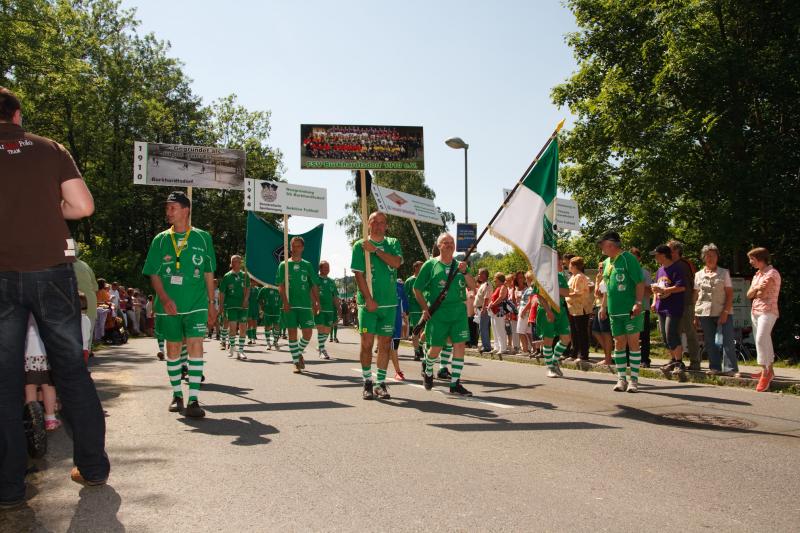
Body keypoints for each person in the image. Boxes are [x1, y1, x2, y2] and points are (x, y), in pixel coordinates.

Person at [0, 87, 109, 502]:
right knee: (70, 371)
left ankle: (10, 487)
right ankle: (93, 468)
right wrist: (50, 208)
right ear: (17, 115)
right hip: (51, 269)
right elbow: (82, 207)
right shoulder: (49, 149)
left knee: (5, 379)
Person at [143, 191, 216, 417]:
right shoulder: (160, 239)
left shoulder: (203, 237)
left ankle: (193, 399)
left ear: (186, 210)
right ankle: (177, 394)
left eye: (172, 207)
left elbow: (208, 272)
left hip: (196, 303)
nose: (168, 212)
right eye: (167, 208)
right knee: (173, 348)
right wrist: (165, 299)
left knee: (195, 345)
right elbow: (153, 273)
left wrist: (211, 303)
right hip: (169, 306)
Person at [413, 233, 476, 396]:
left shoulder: (460, 265)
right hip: (438, 313)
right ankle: (428, 368)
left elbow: (472, 285)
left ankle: (455, 383)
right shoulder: (430, 265)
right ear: (438, 246)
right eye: (445, 242)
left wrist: (465, 272)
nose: (449, 244)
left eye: (451, 242)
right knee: (436, 348)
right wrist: (424, 309)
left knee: (459, 345)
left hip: (458, 312)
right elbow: (417, 288)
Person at [351, 212, 403, 400]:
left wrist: (375, 251)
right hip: (368, 305)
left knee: (385, 345)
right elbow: (359, 275)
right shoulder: (360, 245)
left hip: (389, 305)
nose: (379, 225)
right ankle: (367, 381)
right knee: (366, 344)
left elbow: (396, 263)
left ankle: (380, 383)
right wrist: (368, 299)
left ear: (386, 226)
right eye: (375, 222)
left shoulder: (392, 243)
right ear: (369, 224)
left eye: (382, 222)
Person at [598, 231, 645, 393]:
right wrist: (603, 307)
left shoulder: (628, 258)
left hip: (630, 310)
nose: (601, 247)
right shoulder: (606, 262)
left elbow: (639, 282)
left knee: (633, 343)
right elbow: (606, 288)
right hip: (614, 311)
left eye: (603, 244)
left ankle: (634, 380)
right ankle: (621, 379)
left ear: (611, 244)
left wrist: (638, 303)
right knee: (618, 343)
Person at [276, 236, 320, 372]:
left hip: (305, 305)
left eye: (298, 246)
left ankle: (298, 353)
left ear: (302, 248)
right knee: (292, 333)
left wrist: (317, 301)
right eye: (293, 246)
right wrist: (285, 302)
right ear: (290, 248)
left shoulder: (307, 265)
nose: (296, 248)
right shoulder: (284, 265)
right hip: (290, 305)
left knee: (307, 334)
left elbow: (313, 285)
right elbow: (280, 286)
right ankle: (296, 362)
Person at [694, 244, 737, 376]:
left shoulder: (724, 273)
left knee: (727, 340)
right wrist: (694, 315)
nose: (710, 258)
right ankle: (715, 368)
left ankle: (731, 369)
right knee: (710, 341)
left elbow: (730, 294)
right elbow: (695, 295)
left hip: (723, 311)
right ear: (703, 258)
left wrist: (725, 312)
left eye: (713, 255)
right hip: (704, 312)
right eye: (707, 255)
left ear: (717, 257)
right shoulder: (698, 275)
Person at [746, 247, 781, 392]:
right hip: (755, 311)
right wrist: (756, 289)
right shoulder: (757, 275)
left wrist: (756, 290)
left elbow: (763, 293)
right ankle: (768, 370)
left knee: (761, 338)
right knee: (762, 339)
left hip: (768, 311)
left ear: (760, 259)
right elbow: (749, 294)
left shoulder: (772, 273)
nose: (750, 262)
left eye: (752, 259)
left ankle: (766, 373)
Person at [651, 245, 687, 376]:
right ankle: (673, 360)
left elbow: (681, 287)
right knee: (665, 337)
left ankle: (679, 363)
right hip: (661, 306)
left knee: (671, 333)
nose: (655, 258)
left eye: (656, 255)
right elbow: (656, 287)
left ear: (663, 255)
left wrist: (665, 290)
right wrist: (654, 301)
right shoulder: (660, 270)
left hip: (673, 307)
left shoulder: (677, 268)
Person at [534, 261, 571, 377]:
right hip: (546, 310)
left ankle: (554, 361)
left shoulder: (560, 276)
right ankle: (550, 368)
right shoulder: (540, 276)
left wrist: (555, 287)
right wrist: (548, 311)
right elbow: (539, 296)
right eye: (558, 262)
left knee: (566, 338)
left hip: (560, 310)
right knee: (548, 340)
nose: (561, 265)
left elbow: (567, 292)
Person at [668, 240, 701, 370]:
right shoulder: (670, 264)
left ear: (676, 251)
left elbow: (691, 285)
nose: (667, 252)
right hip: (674, 304)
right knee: (674, 333)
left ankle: (695, 362)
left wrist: (693, 303)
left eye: (669, 250)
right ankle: (676, 360)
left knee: (689, 332)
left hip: (686, 303)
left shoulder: (683, 265)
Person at [24, 315, 61, 431]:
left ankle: (31, 420)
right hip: (45, 355)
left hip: (27, 356)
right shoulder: (44, 312)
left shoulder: (23, 313)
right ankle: (50, 418)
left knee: (30, 387)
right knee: (48, 387)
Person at [219, 255, 251, 360]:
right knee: (232, 328)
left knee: (243, 328)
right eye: (233, 261)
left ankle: (241, 351)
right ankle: (232, 347)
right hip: (231, 305)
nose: (235, 263)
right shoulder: (227, 276)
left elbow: (248, 288)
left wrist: (245, 300)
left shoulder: (245, 275)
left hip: (243, 306)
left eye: (237, 261)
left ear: (240, 263)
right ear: (231, 263)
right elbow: (222, 292)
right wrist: (221, 306)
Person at [566, 257, 593, 362]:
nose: (568, 266)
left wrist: (565, 294)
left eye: (570, 264)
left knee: (581, 332)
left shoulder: (579, 277)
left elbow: (578, 293)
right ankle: (574, 353)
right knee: (574, 332)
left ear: (574, 266)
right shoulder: (573, 276)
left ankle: (583, 355)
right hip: (573, 309)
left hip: (581, 308)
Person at [630, 248, 653, 367]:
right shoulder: (625, 272)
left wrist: (639, 286)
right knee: (629, 333)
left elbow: (650, 292)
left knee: (644, 336)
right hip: (628, 308)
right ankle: (629, 359)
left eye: (634, 257)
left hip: (643, 308)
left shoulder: (645, 273)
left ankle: (645, 360)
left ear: (639, 258)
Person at [315, 260, 339, 360]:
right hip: (319, 309)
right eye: (325, 267)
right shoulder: (316, 279)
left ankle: (320, 345)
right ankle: (322, 350)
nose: (327, 269)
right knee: (321, 329)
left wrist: (339, 308)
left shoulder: (331, 282)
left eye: (328, 267)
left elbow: (335, 297)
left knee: (327, 331)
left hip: (330, 310)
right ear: (320, 268)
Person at [591, 262, 613, 367]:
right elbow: (596, 293)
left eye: (602, 267)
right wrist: (597, 281)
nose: (600, 269)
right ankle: (608, 355)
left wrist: (603, 308)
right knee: (595, 331)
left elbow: (601, 293)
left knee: (605, 332)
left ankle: (608, 358)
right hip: (599, 306)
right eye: (599, 268)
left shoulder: (607, 278)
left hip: (605, 307)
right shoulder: (601, 279)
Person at [404, 261, 425, 360]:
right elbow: (404, 296)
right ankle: (416, 351)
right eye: (421, 266)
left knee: (426, 331)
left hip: (426, 308)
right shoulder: (409, 281)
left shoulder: (426, 279)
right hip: (415, 309)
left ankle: (420, 345)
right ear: (416, 268)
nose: (424, 268)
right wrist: (406, 308)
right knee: (417, 330)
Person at [390, 278, 409, 380]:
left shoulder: (400, 286)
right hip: (384, 320)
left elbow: (404, 303)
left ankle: (397, 372)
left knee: (394, 345)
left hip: (396, 321)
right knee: (386, 346)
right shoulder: (381, 280)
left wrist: (405, 317)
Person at [488, 272, 510, 355]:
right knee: (495, 329)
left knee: (500, 329)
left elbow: (501, 297)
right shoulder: (497, 287)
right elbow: (493, 298)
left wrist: (493, 304)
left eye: (495, 279)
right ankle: (496, 347)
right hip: (494, 311)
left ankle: (503, 348)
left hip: (500, 310)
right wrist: (490, 304)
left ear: (499, 279)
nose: (494, 280)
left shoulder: (503, 287)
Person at [516, 271, 536, 355]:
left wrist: (523, 311)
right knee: (528, 332)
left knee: (520, 330)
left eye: (527, 279)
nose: (525, 280)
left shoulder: (532, 289)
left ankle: (525, 350)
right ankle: (534, 349)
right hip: (525, 310)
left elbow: (530, 301)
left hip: (525, 311)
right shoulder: (529, 288)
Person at [474, 268, 493, 353]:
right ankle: (485, 344)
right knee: (482, 328)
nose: (478, 276)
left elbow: (486, 298)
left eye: (479, 274)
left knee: (483, 328)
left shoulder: (487, 284)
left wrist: (483, 308)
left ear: (484, 275)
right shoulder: (483, 284)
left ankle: (487, 346)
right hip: (480, 308)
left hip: (483, 308)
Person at [259, 283, 282, 350]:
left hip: (277, 310)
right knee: (267, 326)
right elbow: (259, 298)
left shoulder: (279, 288)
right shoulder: (264, 288)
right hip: (267, 310)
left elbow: (283, 298)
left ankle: (275, 342)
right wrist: (262, 307)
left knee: (277, 326)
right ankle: (268, 343)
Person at [246, 280, 262, 345]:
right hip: (249, 308)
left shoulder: (257, 289)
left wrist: (260, 309)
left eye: (255, 282)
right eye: (252, 281)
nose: (254, 283)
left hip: (255, 308)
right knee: (249, 323)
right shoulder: (247, 288)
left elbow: (259, 300)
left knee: (255, 323)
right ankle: (250, 338)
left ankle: (254, 337)